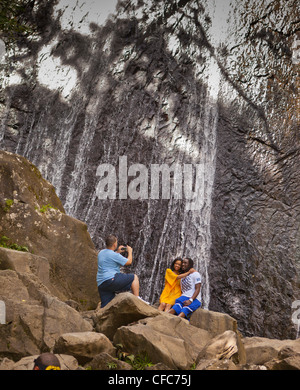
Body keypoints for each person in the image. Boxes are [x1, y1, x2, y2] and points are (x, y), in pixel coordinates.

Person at [97, 234, 141, 308]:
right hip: (111, 280)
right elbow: (129, 262)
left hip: (101, 284)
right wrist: (130, 252)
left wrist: (117, 251)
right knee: (134, 277)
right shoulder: (114, 255)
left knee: (106, 306)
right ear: (114, 245)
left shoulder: (101, 253)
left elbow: (110, 258)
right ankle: (137, 300)